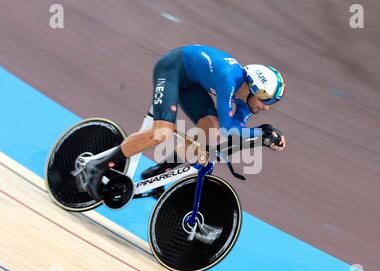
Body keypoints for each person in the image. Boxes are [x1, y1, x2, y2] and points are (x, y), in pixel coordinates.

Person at [83, 45, 286, 200]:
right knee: (162, 133)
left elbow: (237, 129)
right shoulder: (228, 79)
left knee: (210, 132)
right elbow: (229, 128)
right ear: (254, 89)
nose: (267, 108)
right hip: (172, 70)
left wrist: (263, 136)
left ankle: (160, 170)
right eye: (266, 101)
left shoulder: (246, 99)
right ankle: (97, 165)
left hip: (192, 82)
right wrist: (260, 134)